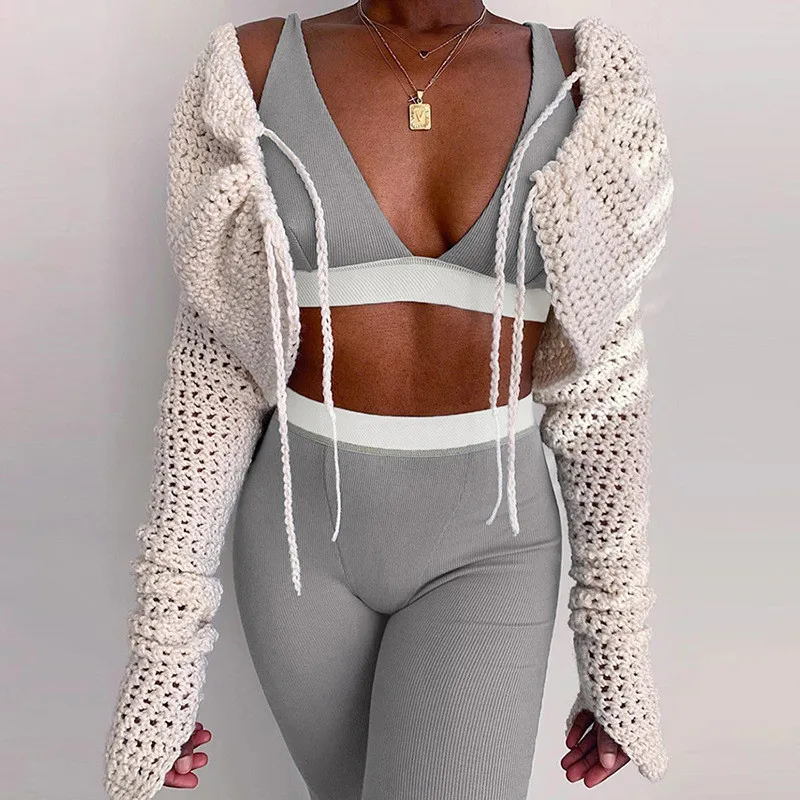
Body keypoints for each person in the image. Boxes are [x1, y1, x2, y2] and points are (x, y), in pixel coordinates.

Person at [103, 2, 675, 799]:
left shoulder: (584, 81)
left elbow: (604, 393)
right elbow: (214, 378)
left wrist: (617, 645)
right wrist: (161, 657)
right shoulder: (250, 69)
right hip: (299, 552)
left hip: (491, 549)